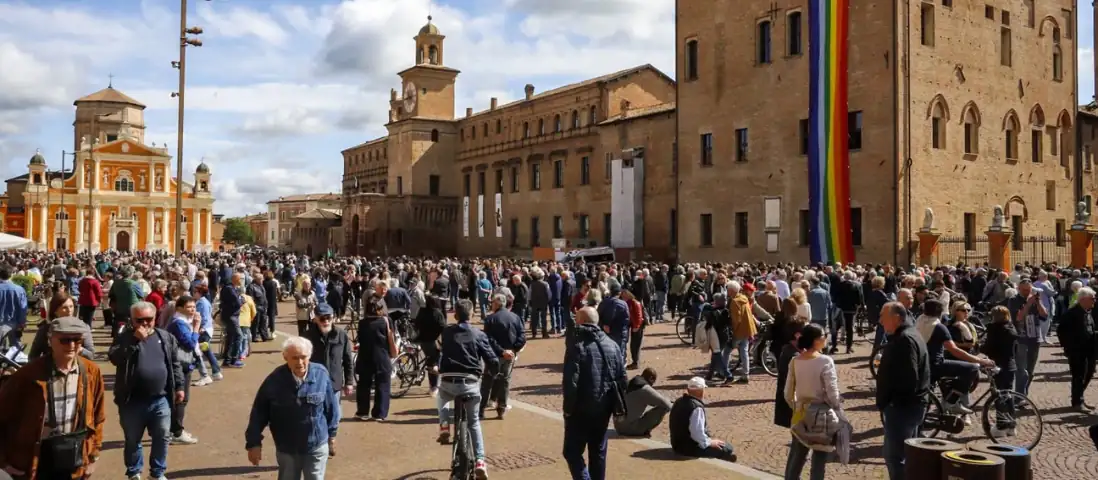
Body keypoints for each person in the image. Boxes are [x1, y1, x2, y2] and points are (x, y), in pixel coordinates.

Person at [0, 317, 107, 480]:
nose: (72, 345)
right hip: (36, 460)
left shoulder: (91, 371)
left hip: (74, 459)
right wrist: (4, 461)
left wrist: (94, 456)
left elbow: (98, 417)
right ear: (50, 341)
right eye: (64, 340)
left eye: (77, 340)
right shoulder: (27, 375)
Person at [107, 302, 186, 480]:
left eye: (148, 319)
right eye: (139, 320)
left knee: (162, 437)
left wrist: (180, 387)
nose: (144, 324)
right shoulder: (125, 337)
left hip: (160, 398)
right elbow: (115, 358)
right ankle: (134, 472)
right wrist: (134, 340)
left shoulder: (165, 337)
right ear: (132, 320)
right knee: (133, 439)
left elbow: (175, 364)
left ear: (155, 318)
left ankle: (157, 473)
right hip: (132, 400)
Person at [245, 336, 340, 480]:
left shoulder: (321, 374)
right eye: (295, 358)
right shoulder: (274, 381)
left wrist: (332, 435)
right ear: (285, 357)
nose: (300, 363)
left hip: (316, 444)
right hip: (287, 448)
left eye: (303, 357)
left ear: (310, 356)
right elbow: (258, 413)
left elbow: (331, 408)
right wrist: (254, 444)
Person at [562, 306, 627, 480]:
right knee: (598, 451)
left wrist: (568, 409)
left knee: (572, 452)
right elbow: (622, 378)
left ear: (581, 321)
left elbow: (570, 381)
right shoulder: (612, 344)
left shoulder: (577, 345)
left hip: (581, 408)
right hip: (604, 407)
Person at [437, 299, 497, 479]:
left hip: (448, 380)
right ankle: (480, 460)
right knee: (474, 423)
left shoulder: (446, 333)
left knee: (441, 397)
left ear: (455, 315)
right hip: (470, 383)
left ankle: (444, 425)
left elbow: (441, 350)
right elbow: (491, 359)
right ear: (471, 315)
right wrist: (494, 373)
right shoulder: (478, 334)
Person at [783, 324, 848, 480]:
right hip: (822, 414)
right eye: (824, 336)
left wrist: (797, 406)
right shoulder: (825, 361)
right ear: (817, 340)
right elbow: (832, 393)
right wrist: (837, 407)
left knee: (798, 454)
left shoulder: (795, 361)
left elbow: (787, 393)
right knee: (819, 458)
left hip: (800, 413)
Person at [876, 302, 930, 480]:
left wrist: (892, 402)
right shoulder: (909, 334)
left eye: (884, 317)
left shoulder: (905, 339)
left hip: (903, 408)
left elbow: (909, 378)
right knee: (904, 455)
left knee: (895, 457)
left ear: (897, 318)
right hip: (908, 406)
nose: (881, 321)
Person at [914, 299, 995, 414]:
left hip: (920, 363)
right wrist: (979, 360)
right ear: (940, 312)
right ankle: (951, 402)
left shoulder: (919, 320)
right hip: (935, 364)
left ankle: (946, 394)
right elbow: (954, 350)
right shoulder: (939, 327)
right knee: (972, 368)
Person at [668, 377, 736, 461]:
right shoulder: (696, 407)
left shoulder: (679, 401)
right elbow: (696, 433)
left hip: (677, 444)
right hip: (688, 448)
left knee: (715, 442)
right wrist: (709, 442)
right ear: (701, 391)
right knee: (727, 448)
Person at [480, 293, 525, 419]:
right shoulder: (515, 317)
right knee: (505, 381)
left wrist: (501, 351)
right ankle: (501, 409)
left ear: (496, 303)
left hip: (494, 355)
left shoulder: (490, 319)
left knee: (487, 382)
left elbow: (488, 339)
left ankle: (481, 409)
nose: (491, 305)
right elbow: (522, 337)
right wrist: (512, 350)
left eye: (492, 302)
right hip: (509, 356)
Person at [165, 295, 201, 446]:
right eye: (189, 307)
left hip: (181, 364)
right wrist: (196, 328)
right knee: (181, 398)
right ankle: (177, 432)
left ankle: (173, 429)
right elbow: (190, 343)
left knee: (179, 398)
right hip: (180, 364)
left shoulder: (182, 321)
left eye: (193, 307)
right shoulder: (179, 323)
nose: (192, 310)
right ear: (179, 308)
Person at [354, 297, 397, 421]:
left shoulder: (362, 323)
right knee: (383, 385)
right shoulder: (386, 321)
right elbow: (391, 338)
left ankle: (362, 412)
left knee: (363, 385)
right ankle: (380, 413)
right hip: (382, 356)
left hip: (365, 356)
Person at [1056, 287, 1097, 412]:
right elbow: (1060, 331)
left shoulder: (1088, 311)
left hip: (1089, 349)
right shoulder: (1071, 313)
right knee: (1078, 376)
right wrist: (1068, 347)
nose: (1094, 301)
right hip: (1077, 350)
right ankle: (1077, 402)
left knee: (1089, 373)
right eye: (1092, 299)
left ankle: (1080, 397)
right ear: (1083, 299)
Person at [982, 306, 1020, 438]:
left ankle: (1001, 426)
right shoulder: (1011, 328)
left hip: (998, 365)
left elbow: (988, 348)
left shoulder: (995, 329)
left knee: (999, 397)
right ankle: (1011, 425)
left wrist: (979, 347)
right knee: (1008, 396)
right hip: (1011, 365)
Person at [1005, 279, 1047, 395]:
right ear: (1018, 288)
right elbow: (1018, 318)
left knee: (1031, 370)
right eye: (1024, 290)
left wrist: (1038, 303)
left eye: (1028, 290)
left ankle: (1024, 393)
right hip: (1021, 338)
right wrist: (1028, 304)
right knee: (1021, 369)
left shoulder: (1035, 299)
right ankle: (1019, 395)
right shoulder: (1013, 300)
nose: (1026, 292)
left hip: (1035, 337)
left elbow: (1044, 315)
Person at [305, 303, 355, 398]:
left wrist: (349, 382)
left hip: (334, 385)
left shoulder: (341, 335)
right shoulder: (307, 337)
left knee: (336, 412)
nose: (326, 321)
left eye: (329, 318)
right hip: (314, 385)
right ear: (315, 319)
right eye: (322, 319)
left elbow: (348, 360)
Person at [29, 292, 95, 360]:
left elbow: (91, 355)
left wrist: (78, 348)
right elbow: (32, 357)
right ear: (55, 310)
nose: (69, 310)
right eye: (64, 307)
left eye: (71, 306)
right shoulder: (45, 330)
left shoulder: (84, 327)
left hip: (77, 367)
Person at [613, 367, 672, 437]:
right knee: (663, 408)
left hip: (618, 427)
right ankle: (643, 430)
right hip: (629, 428)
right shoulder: (644, 389)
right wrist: (668, 400)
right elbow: (668, 405)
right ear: (651, 378)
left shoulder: (630, 383)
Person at [774, 317, 808, 428]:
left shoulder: (790, 350)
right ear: (798, 335)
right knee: (800, 440)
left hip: (794, 408)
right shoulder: (793, 357)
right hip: (795, 409)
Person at [412, 294, 446, 396]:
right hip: (433, 340)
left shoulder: (422, 311)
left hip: (422, 340)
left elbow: (416, 324)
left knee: (429, 360)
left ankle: (433, 385)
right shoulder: (438, 313)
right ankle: (434, 386)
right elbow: (442, 327)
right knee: (434, 362)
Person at [0, 264, 28, 349]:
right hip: (15, 322)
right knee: (16, 349)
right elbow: (23, 308)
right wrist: (22, 322)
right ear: (11, 274)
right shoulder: (19, 289)